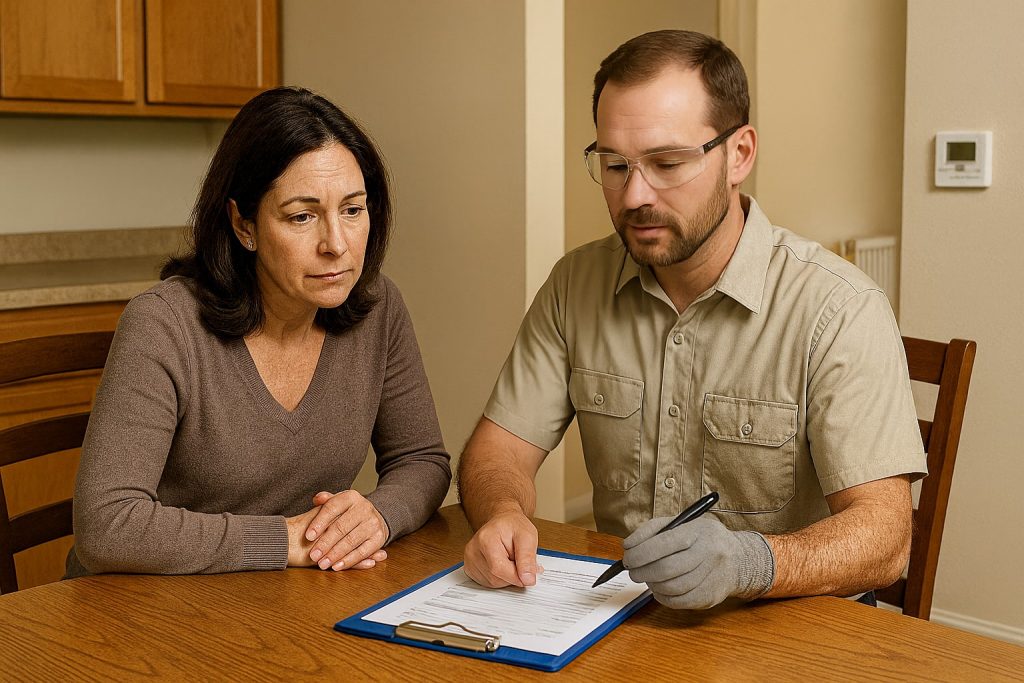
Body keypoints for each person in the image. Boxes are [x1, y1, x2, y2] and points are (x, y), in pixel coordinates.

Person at [457, 30, 925, 609]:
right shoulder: (575, 285)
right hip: (624, 620)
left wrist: (749, 562)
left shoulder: (838, 306)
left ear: (740, 155)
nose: (634, 196)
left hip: (791, 630)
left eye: (667, 162)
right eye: (614, 164)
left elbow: (884, 537)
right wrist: (502, 513)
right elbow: (494, 453)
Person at [68, 86, 451, 577]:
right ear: (243, 225)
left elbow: (422, 459)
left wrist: (377, 516)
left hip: (277, 602)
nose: (336, 244)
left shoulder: (379, 306)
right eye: (302, 216)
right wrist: (285, 539)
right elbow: (107, 524)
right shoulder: (163, 324)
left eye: (353, 210)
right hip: (134, 610)